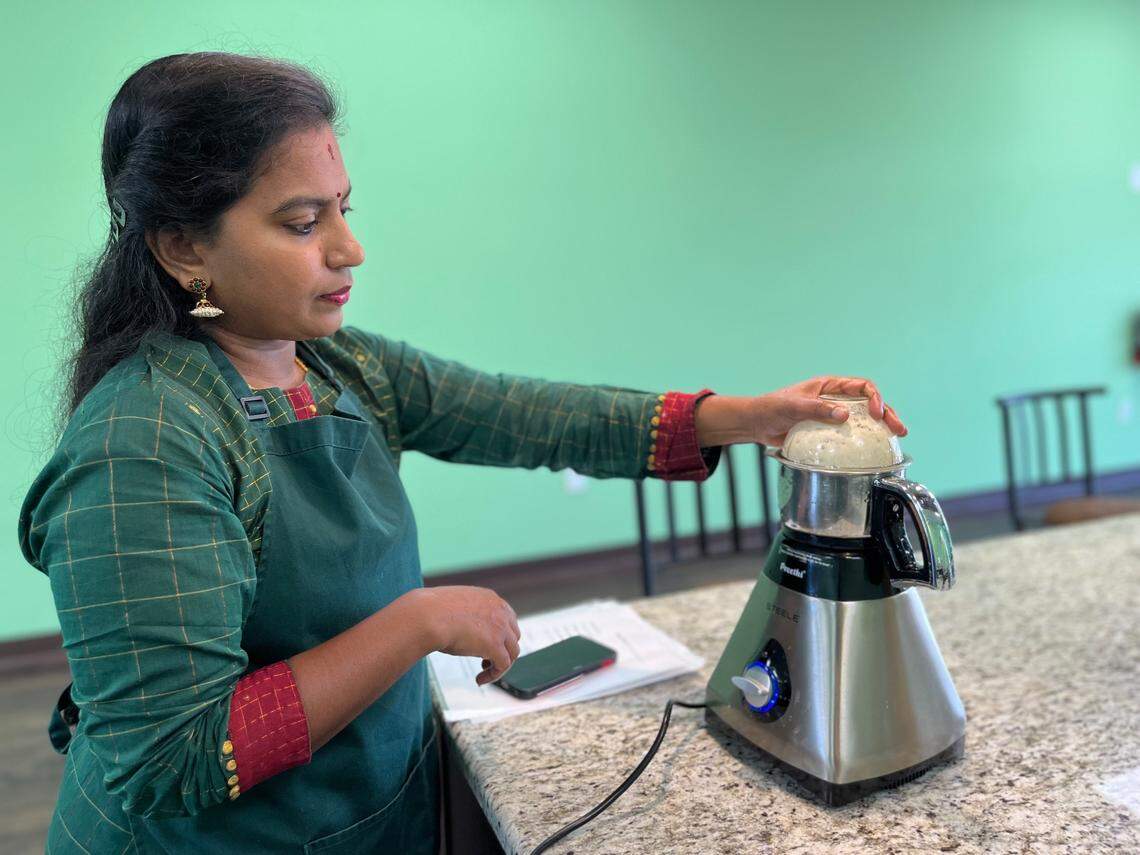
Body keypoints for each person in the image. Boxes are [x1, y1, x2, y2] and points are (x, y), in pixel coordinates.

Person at [16, 52, 907, 854]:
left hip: (361, 817)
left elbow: (523, 414)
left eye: (342, 210)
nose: (348, 248)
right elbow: (172, 756)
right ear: (182, 246)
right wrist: (416, 622)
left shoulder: (334, 365)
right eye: (299, 223)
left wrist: (747, 416)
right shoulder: (146, 440)